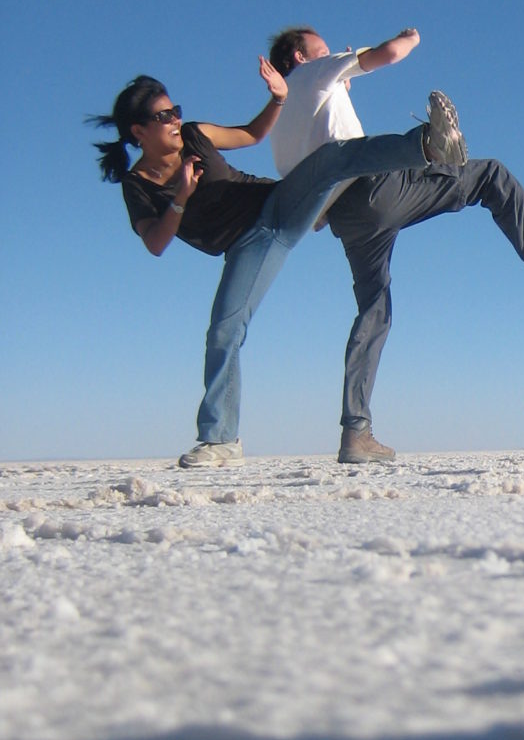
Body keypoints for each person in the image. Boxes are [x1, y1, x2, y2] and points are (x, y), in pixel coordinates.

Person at [265, 25, 524, 463]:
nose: (333, 51)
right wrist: (411, 36)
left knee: (373, 311)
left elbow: (310, 204)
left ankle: (355, 432)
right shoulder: (315, 73)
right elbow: (388, 53)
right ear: (302, 59)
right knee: (489, 175)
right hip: (374, 190)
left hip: (347, 221)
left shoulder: (281, 129)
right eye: (323, 49)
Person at [92, 61, 468, 467]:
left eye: (175, 110)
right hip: (245, 249)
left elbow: (252, 134)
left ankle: (429, 146)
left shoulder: (194, 135)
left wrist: (277, 100)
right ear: (138, 131)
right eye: (163, 116)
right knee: (223, 332)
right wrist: (181, 195)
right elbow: (155, 242)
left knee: (330, 160)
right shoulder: (138, 185)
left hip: (273, 208)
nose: (175, 119)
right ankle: (221, 441)